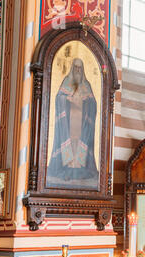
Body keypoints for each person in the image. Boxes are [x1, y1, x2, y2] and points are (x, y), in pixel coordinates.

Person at [47, 58, 99, 186]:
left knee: (79, 142)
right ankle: (68, 168)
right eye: (75, 67)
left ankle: (79, 168)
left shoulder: (86, 85)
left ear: (83, 70)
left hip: (81, 122)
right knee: (69, 142)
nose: (77, 70)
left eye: (80, 68)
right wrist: (68, 100)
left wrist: (84, 101)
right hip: (68, 122)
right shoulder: (66, 82)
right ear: (72, 68)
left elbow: (93, 103)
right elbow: (59, 98)